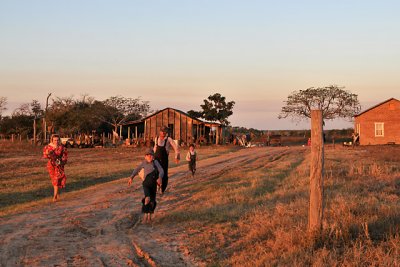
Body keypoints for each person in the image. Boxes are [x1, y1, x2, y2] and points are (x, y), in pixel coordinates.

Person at [128, 148, 164, 223]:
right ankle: (145, 215)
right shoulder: (143, 163)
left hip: (153, 185)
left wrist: (160, 177)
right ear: (145, 157)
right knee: (147, 199)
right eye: (147, 155)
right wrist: (131, 177)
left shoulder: (155, 162)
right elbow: (136, 169)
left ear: (153, 156)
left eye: (151, 155)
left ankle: (149, 216)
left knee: (152, 202)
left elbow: (161, 170)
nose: (149, 157)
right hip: (146, 184)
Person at [153, 126, 180, 194]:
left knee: (164, 174)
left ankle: (162, 189)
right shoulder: (156, 138)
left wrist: (176, 157)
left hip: (164, 159)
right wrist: (152, 156)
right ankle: (156, 187)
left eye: (165, 132)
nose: (164, 133)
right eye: (163, 132)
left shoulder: (168, 139)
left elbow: (176, 147)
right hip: (156, 159)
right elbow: (155, 148)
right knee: (155, 173)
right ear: (160, 132)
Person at [43, 134, 68, 202]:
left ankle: (55, 196)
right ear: (52, 140)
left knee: (56, 179)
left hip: (59, 165)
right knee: (54, 180)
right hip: (51, 165)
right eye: (55, 140)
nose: (56, 141)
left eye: (57, 140)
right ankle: (56, 193)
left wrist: (62, 161)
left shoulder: (61, 147)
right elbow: (45, 155)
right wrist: (48, 154)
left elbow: (65, 155)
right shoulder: (48, 147)